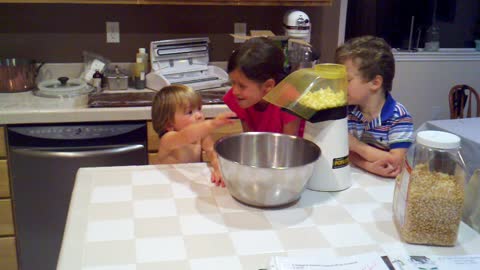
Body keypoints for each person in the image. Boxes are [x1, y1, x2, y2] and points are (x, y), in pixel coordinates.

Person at [335, 35, 414, 178]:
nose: (340, 86)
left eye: (346, 80)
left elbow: (396, 161)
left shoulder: (399, 117)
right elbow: (347, 153)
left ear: (375, 83)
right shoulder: (347, 112)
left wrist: (356, 145)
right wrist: (368, 166)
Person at [151, 84, 236, 187]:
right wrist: (211, 124)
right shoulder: (168, 139)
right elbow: (186, 136)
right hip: (165, 185)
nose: (199, 115)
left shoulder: (201, 135)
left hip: (187, 185)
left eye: (199, 109)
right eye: (190, 112)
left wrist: (218, 169)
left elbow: (212, 152)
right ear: (169, 124)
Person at [223, 37, 304, 136]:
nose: (234, 91)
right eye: (232, 82)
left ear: (268, 85)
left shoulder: (290, 101)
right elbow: (250, 139)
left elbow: (289, 145)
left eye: (242, 86)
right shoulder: (241, 98)